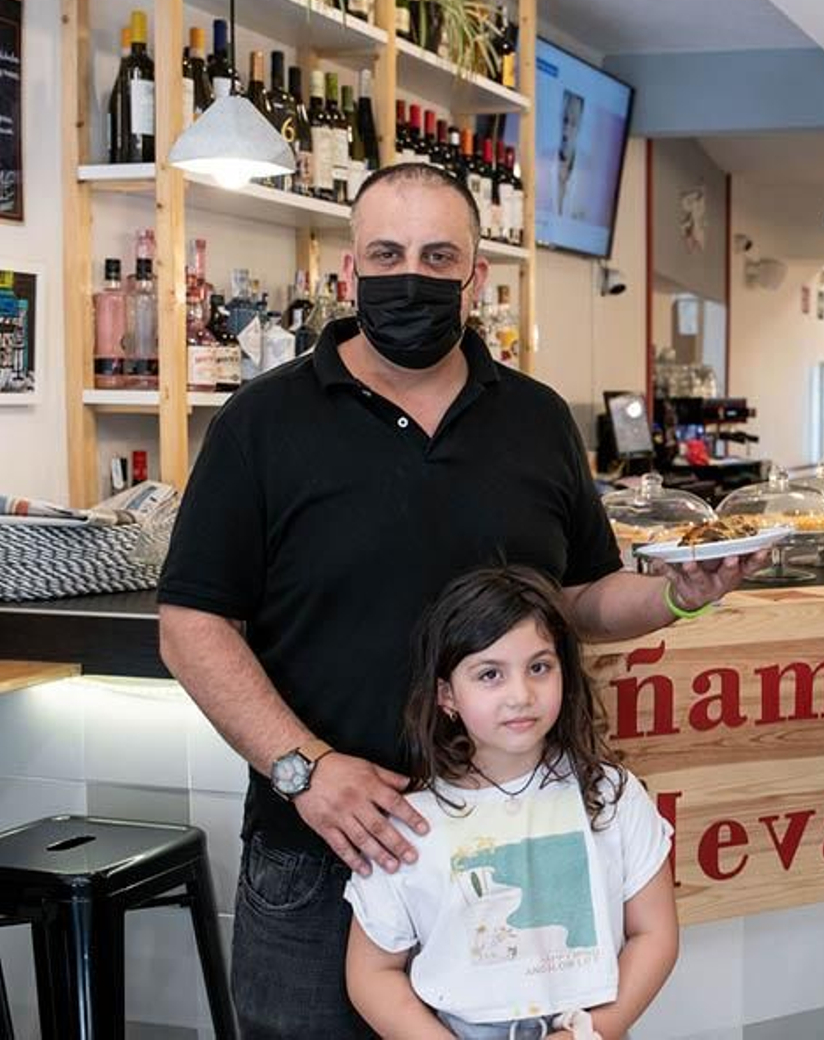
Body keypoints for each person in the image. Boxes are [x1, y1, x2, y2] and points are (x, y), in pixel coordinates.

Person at [157, 163, 761, 1037]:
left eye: (439, 255)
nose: (413, 275)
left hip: (511, 852)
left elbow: (581, 598)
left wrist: (680, 595)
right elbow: (189, 625)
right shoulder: (261, 423)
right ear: (348, 271)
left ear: (477, 278)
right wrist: (305, 770)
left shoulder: (537, 419)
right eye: (388, 253)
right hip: (324, 850)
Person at [346, 567, 676, 1039]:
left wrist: (596, 1031)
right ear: (446, 695)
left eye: (539, 667)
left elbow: (655, 934)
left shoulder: (610, 793)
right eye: (490, 675)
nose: (520, 695)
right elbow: (371, 973)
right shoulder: (407, 822)